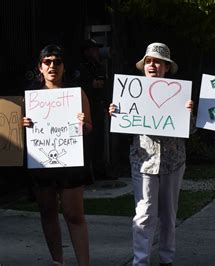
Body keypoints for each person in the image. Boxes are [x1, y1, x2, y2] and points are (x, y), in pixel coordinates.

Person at [109, 42, 194, 266]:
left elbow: (192, 129)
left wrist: (189, 113)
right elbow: (123, 125)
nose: (152, 65)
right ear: (143, 66)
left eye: (158, 62)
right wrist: (116, 113)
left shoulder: (178, 93)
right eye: (149, 61)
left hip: (173, 161)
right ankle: (141, 261)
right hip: (143, 160)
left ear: (166, 67)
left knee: (168, 214)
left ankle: (166, 259)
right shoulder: (131, 92)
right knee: (144, 213)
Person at [22, 44, 92, 266]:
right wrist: (23, 123)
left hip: (70, 161)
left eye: (57, 62)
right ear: (40, 67)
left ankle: (84, 263)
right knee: (47, 212)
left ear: (64, 67)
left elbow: (89, 126)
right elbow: (17, 131)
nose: (52, 66)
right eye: (47, 62)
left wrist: (83, 124)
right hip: (41, 161)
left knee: (74, 214)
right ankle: (57, 262)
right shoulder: (30, 98)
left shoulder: (77, 94)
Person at [77, 38, 108, 180]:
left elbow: (105, 84)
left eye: (97, 49)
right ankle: (87, 174)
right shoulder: (80, 68)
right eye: (94, 49)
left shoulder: (99, 66)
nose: (97, 52)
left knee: (99, 141)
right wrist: (91, 84)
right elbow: (76, 88)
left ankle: (100, 171)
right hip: (86, 109)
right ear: (87, 51)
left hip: (98, 107)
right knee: (87, 142)